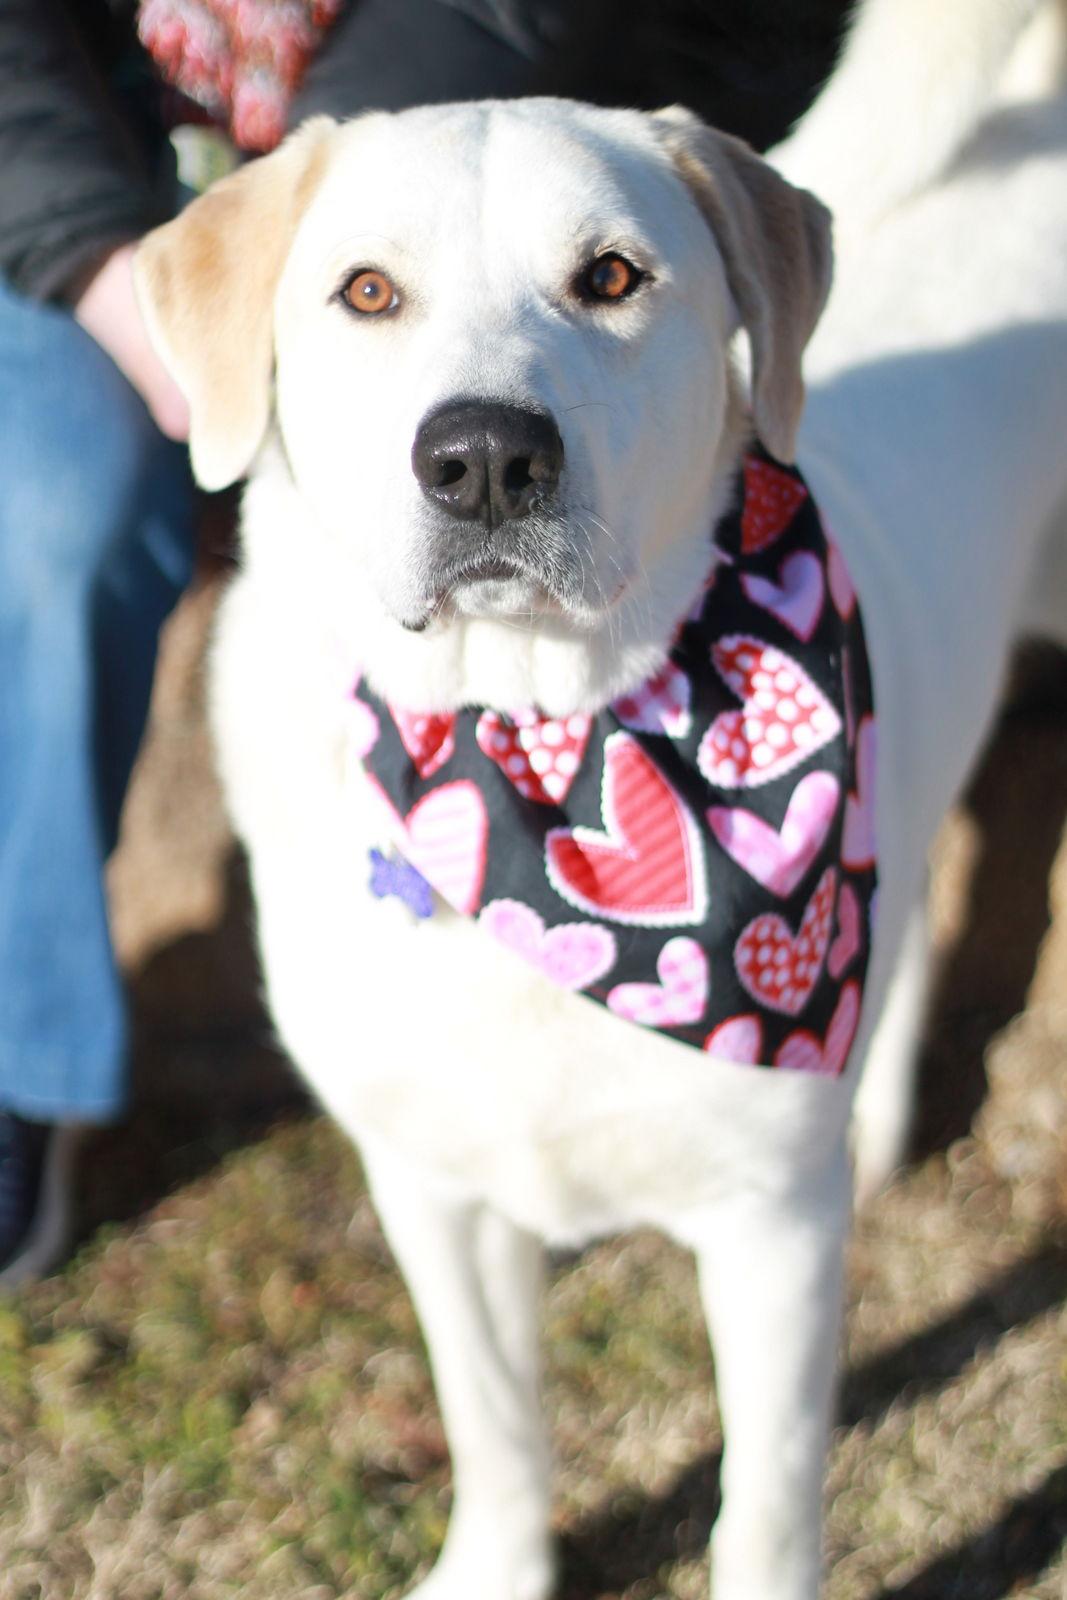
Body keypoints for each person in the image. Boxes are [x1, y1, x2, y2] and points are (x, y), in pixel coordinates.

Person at [0, 0, 852, 1286]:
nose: (485, 465)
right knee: (53, 514)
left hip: (434, 101)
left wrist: (410, 167)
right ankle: (22, 1059)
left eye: (608, 278)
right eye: (371, 296)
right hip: (55, 188)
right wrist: (113, 261)